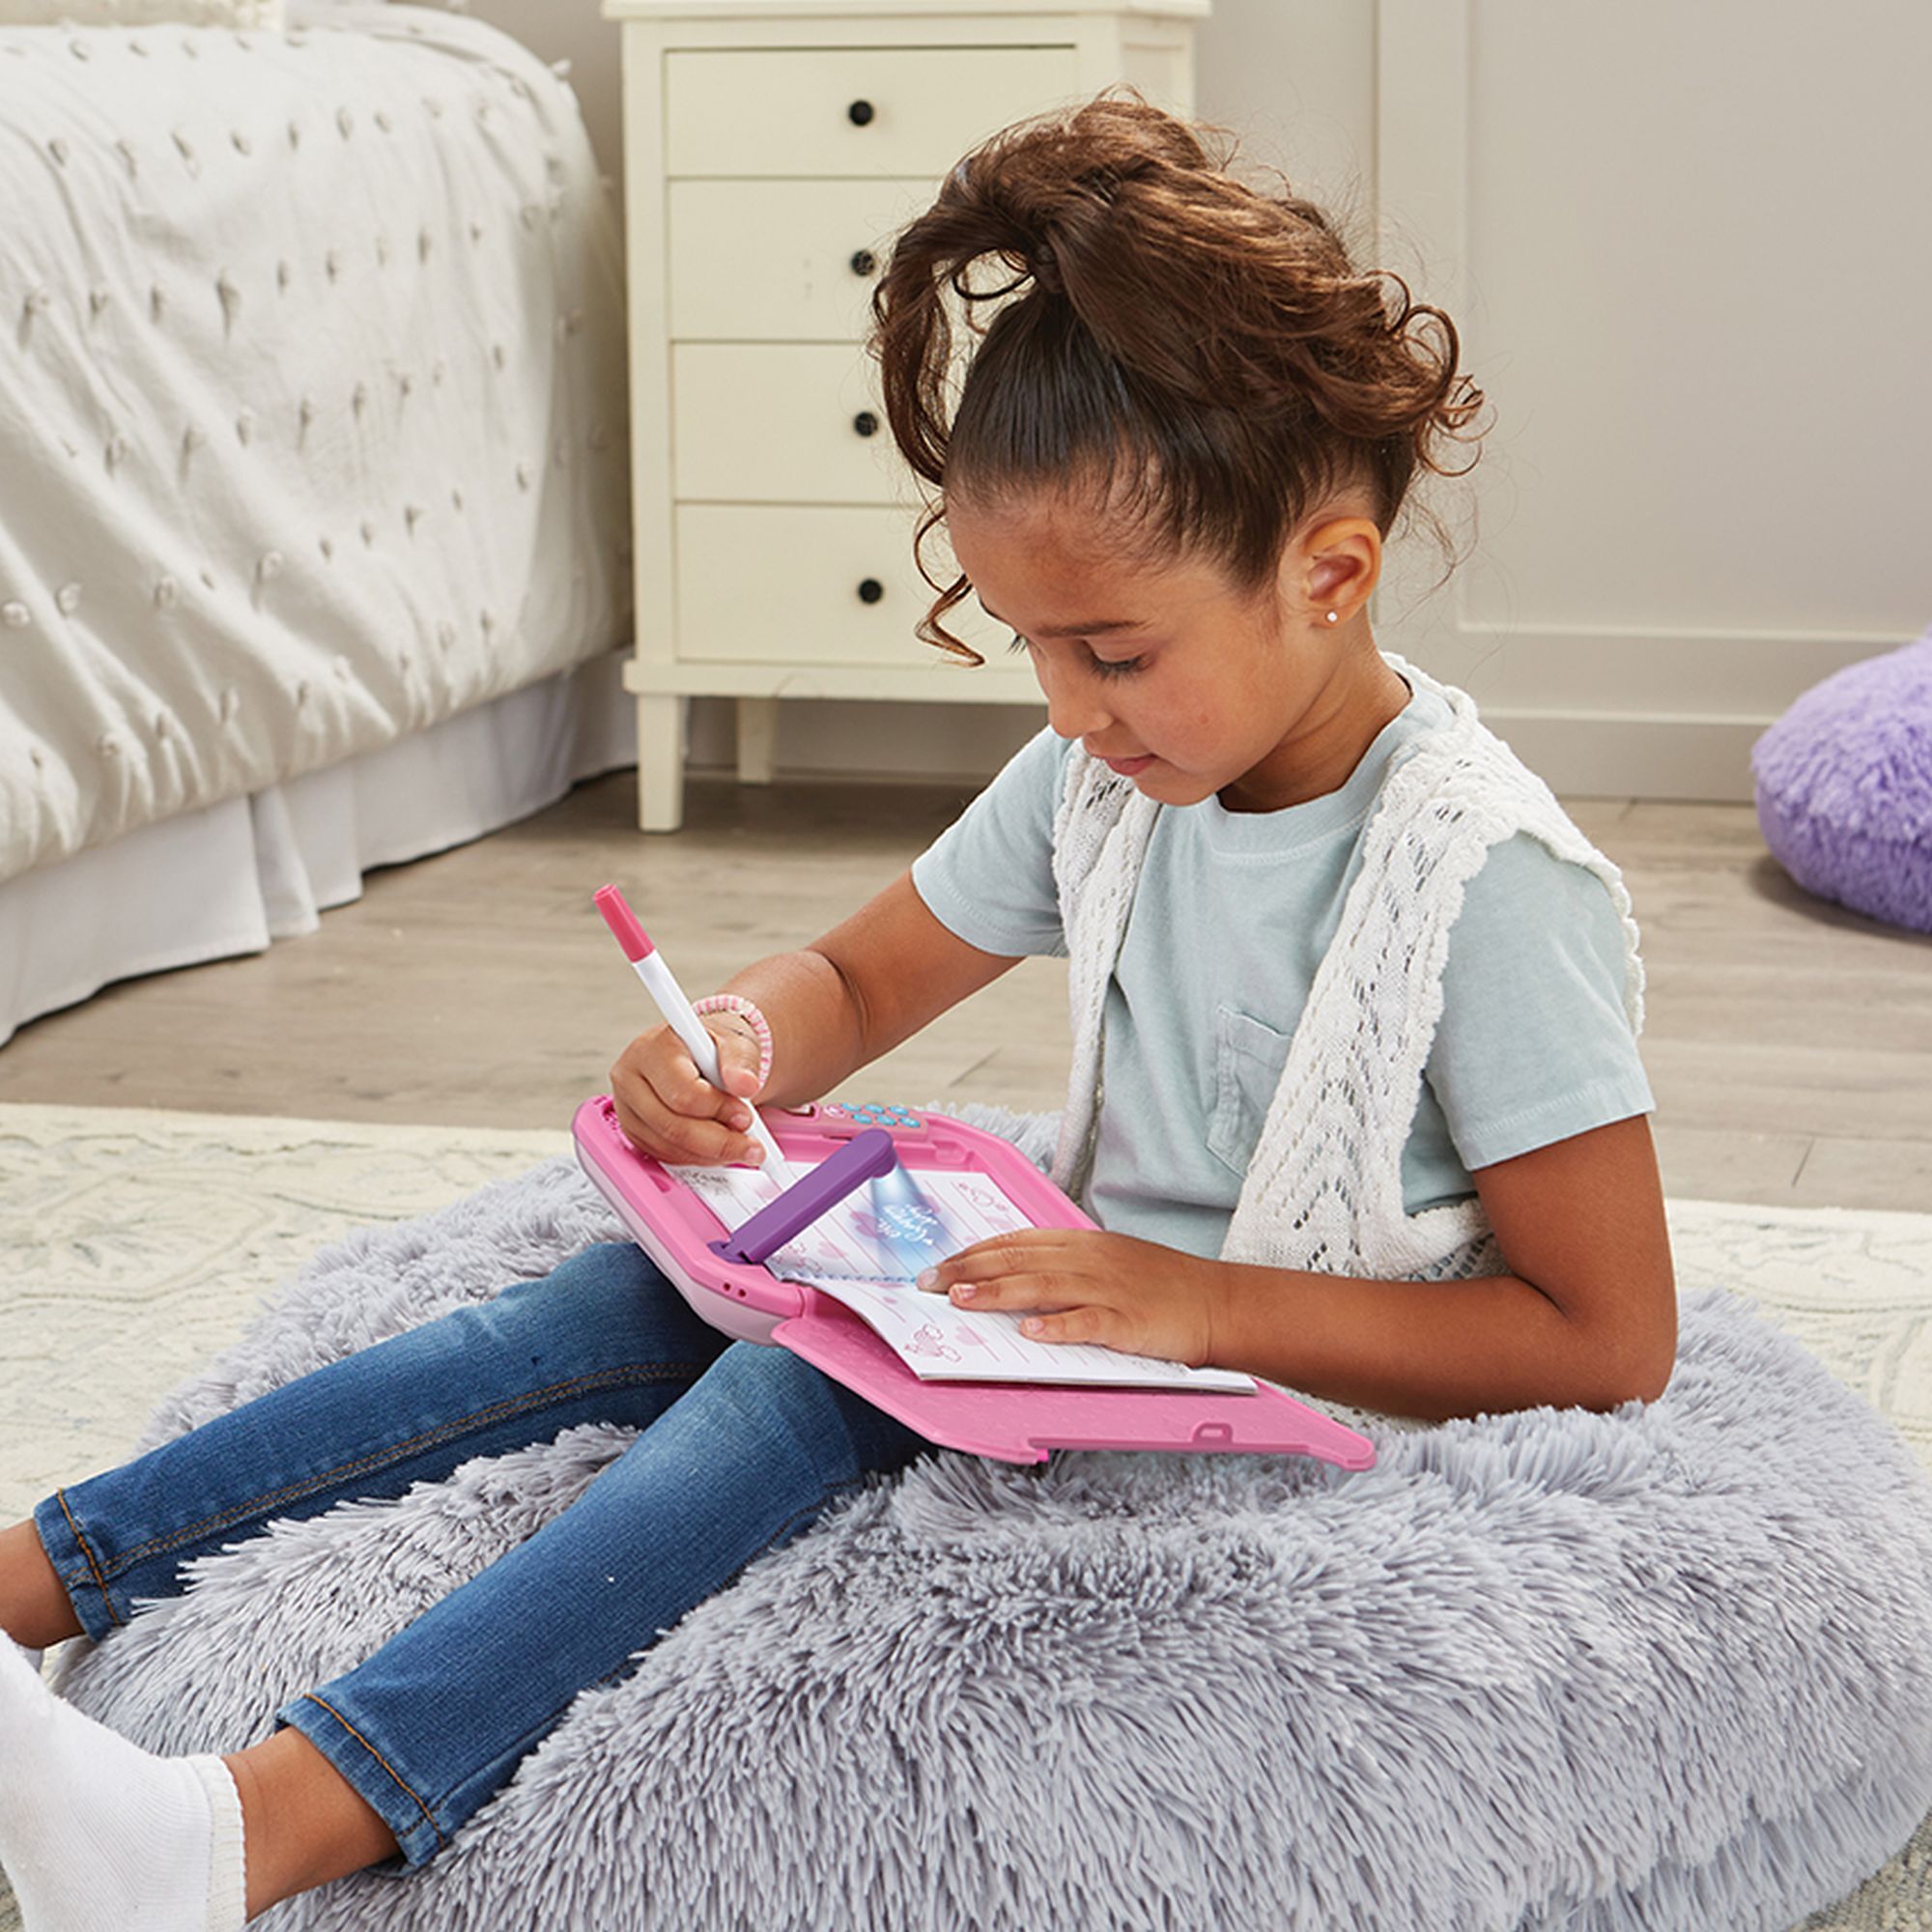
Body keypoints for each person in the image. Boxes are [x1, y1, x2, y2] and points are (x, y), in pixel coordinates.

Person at [0, 89, 1676, 1929]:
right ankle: (28, 1579)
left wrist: (1195, 1304)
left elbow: (1607, 1338)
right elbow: (867, 975)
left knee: (796, 1393)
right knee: (616, 1300)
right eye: (1030, 645)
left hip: (1285, 1396)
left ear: (1329, 576)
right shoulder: (1110, 776)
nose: (1067, 708)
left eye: (1114, 651)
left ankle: (252, 1833)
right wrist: (736, 1041)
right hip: (1080, 1317)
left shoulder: (1487, 882)